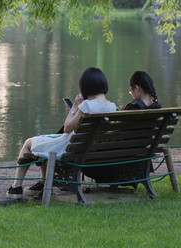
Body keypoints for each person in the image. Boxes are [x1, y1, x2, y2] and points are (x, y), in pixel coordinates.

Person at [6, 67, 118, 200]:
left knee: (28, 143)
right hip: (88, 149)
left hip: (71, 150)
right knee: (44, 140)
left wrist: (74, 108)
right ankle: (44, 185)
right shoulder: (112, 106)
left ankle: (16, 188)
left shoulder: (87, 105)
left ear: (86, 85)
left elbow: (67, 128)